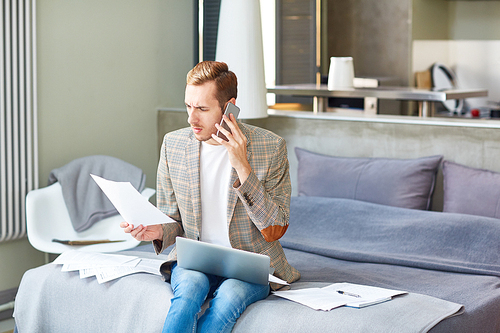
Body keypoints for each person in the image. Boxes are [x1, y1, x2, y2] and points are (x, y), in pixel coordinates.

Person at [120, 61, 300, 333]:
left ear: (229, 108)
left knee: (228, 299)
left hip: (249, 265)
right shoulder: (173, 144)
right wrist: (155, 230)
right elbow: (173, 219)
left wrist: (242, 165)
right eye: (188, 106)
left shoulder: (270, 147)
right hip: (195, 261)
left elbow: (274, 229)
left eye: (202, 109)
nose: (191, 118)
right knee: (187, 294)